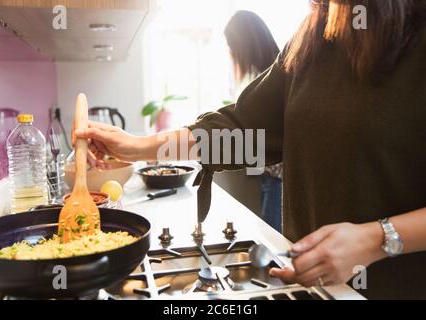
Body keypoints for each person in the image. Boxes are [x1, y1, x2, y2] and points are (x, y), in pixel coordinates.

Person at [75, 0, 426, 299]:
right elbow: (243, 130)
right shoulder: (319, 30)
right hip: (316, 287)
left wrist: (377, 239)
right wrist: (139, 147)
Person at [224, 10, 283, 232]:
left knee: (272, 247)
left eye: (233, 48)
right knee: (270, 241)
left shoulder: (272, 78)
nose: (232, 54)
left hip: (279, 178)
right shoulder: (271, 70)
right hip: (271, 175)